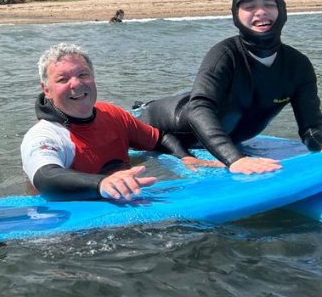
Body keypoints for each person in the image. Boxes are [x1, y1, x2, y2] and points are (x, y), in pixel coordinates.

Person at [135, 0, 322, 174]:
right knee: (178, 105)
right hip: (163, 123)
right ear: (236, 15)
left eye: (269, 4)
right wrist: (235, 159)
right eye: (249, 7)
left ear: (281, 10)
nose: (261, 12)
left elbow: (312, 126)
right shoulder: (224, 54)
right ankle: (142, 107)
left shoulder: (298, 65)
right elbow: (199, 108)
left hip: (224, 133)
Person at [20, 42, 216, 202]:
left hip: (124, 203)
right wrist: (102, 184)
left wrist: (185, 157)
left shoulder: (112, 114)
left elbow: (160, 139)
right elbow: (45, 177)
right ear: (46, 90)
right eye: (63, 79)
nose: (76, 84)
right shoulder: (44, 136)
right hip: (70, 226)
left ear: (93, 78)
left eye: (83, 75)